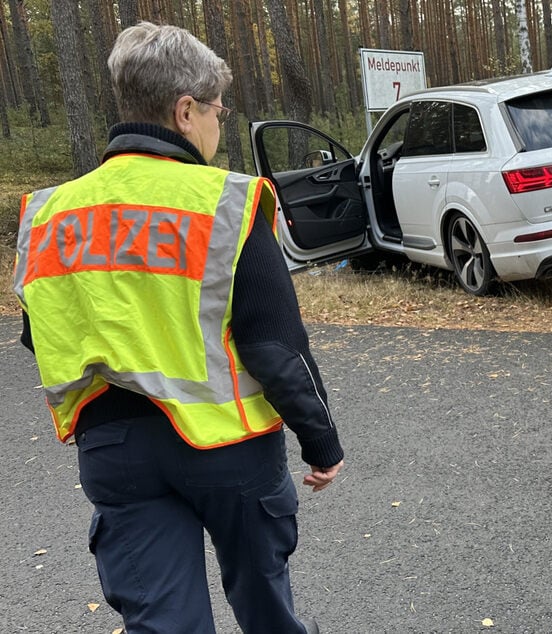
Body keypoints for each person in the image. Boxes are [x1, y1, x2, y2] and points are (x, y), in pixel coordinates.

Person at [12, 22, 342, 634]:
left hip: (113, 449)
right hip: (228, 450)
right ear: (185, 111)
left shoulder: (49, 212)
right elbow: (275, 346)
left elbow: (42, 336)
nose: (220, 121)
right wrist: (321, 442)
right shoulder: (226, 202)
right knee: (266, 604)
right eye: (218, 108)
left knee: (164, 622)